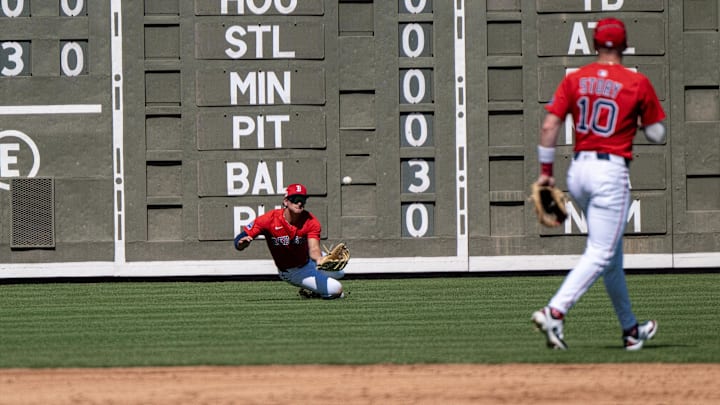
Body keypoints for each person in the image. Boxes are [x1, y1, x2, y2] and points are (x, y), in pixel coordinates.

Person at [531, 17, 665, 350]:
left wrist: (546, 172)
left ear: (594, 45)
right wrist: (640, 121)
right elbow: (658, 134)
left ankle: (631, 330)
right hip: (610, 172)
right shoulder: (636, 83)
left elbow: (549, 126)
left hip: (579, 171)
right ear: (624, 45)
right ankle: (555, 311)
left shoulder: (576, 79)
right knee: (601, 252)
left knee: (611, 259)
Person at [234, 183, 345, 299]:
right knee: (337, 290)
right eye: (295, 199)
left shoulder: (311, 221)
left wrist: (320, 259)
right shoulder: (269, 219)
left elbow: (314, 249)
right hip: (292, 271)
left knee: (340, 272)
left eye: (302, 199)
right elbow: (239, 240)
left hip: (309, 260)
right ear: (286, 201)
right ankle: (315, 292)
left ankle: (316, 286)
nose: (299, 203)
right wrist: (242, 244)